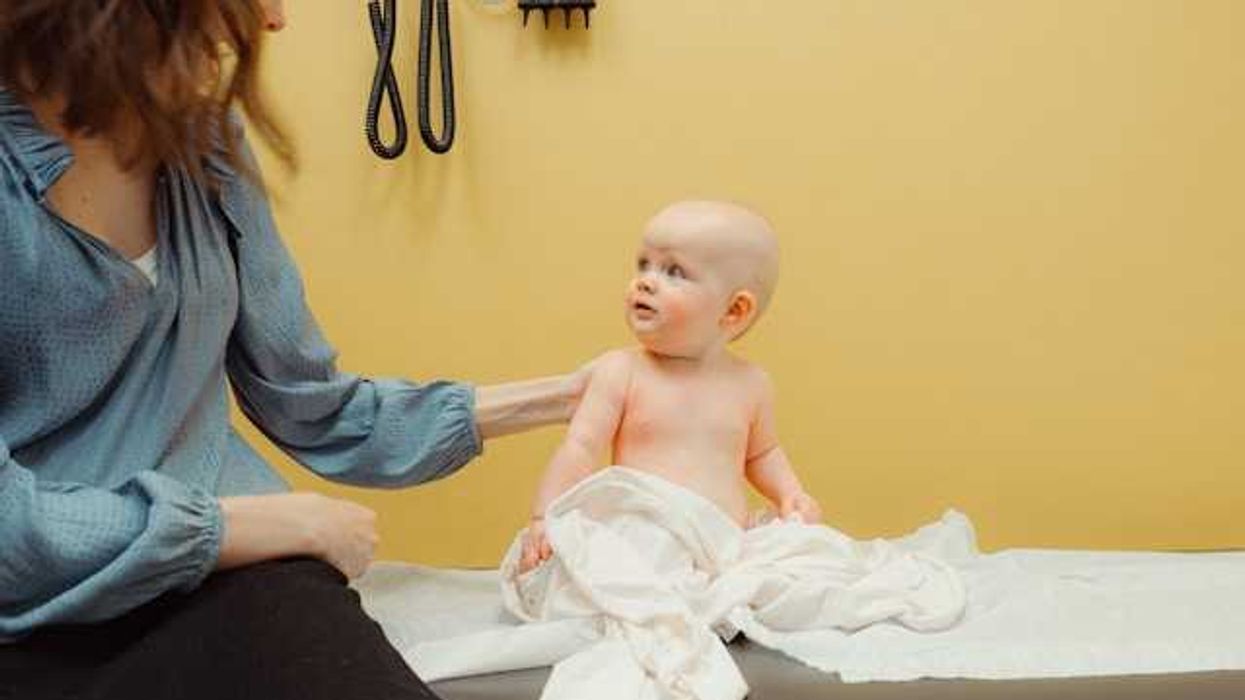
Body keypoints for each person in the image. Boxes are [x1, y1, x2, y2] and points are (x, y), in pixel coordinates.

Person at [0, 2, 590, 698]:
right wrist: (230, 525)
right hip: (35, 613)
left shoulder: (206, 141)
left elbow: (310, 404)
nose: (276, 20)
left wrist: (570, 396)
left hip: (224, 583)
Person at [519, 200, 823, 573]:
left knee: (800, 559)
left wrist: (790, 494)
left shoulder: (751, 383)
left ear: (734, 311)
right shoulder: (621, 370)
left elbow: (763, 454)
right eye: (643, 264)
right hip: (644, 536)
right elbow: (581, 447)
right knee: (628, 574)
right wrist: (543, 518)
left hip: (723, 543)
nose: (645, 280)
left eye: (674, 271)